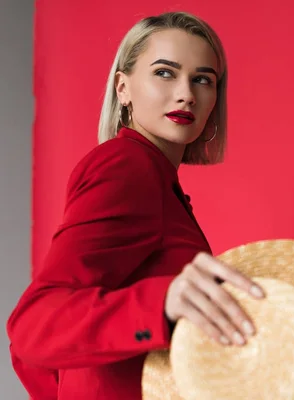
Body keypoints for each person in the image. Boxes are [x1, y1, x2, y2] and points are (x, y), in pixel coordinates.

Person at [6, 11, 265, 399]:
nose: (186, 94)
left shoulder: (158, 180)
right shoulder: (127, 166)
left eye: (202, 80)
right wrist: (163, 302)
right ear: (122, 88)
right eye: (165, 72)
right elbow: (34, 327)